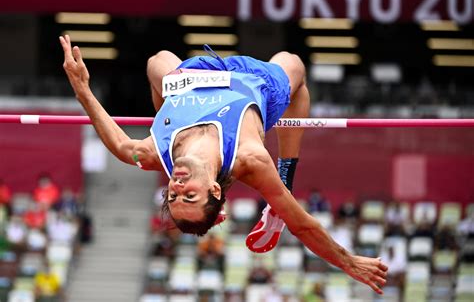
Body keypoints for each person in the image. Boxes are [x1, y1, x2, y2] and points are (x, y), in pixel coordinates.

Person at [60, 35, 388, 294]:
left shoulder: (151, 152)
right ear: (215, 188)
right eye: (190, 196)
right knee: (294, 67)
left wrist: (82, 89)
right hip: (252, 85)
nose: (177, 189)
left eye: (173, 197)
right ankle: (286, 179)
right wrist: (347, 262)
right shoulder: (249, 158)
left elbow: (119, 145)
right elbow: (302, 224)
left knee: (156, 61)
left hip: (192, 81)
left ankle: (166, 112)